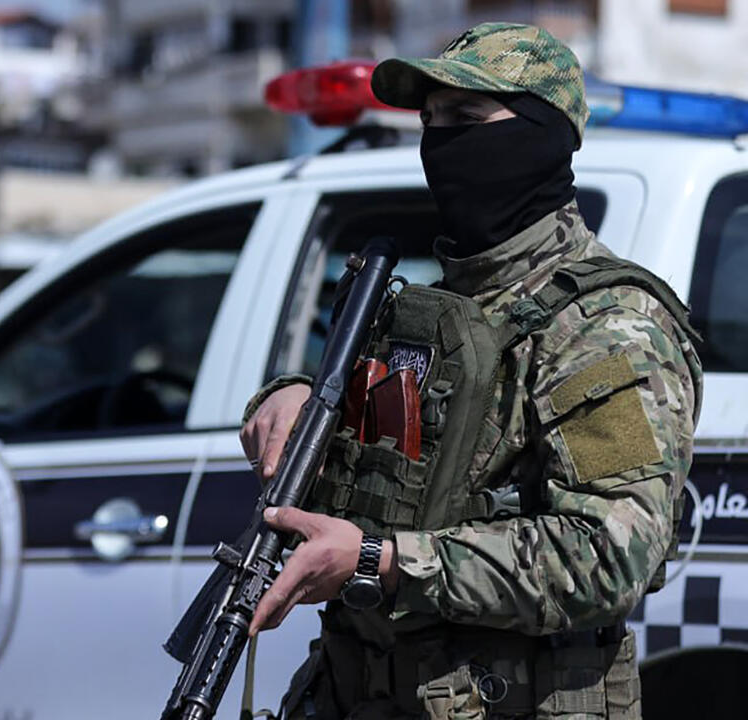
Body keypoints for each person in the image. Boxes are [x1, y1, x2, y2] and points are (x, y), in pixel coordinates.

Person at [239, 24, 702, 719]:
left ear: (541, 135)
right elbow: (382, 466)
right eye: (430, 121)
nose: (441, 141)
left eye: (465, 116)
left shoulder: (608, 326)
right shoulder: (440, 310)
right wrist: (290, 395)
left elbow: (609, 555)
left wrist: (383, 562)